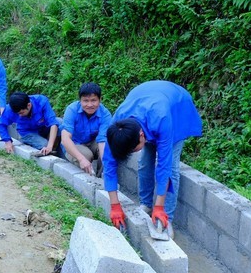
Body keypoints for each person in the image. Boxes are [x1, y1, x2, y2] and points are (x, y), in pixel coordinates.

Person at [103, 80, 202, 238]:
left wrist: (160, 207)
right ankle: (146, 204)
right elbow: (109, 164)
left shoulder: (161, 119)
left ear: (142, 135)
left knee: (172, 167)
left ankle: (166, 217)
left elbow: (164, 167)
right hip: (147, 99)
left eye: (133, 148)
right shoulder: (117, 127)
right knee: (144, 162)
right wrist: (114, 205)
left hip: (177, 106)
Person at [61, 82, 112, 178]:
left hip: (92, 142)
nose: (89, 105)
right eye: (85, 101)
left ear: (100, 100)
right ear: (80, 100)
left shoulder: (105, 114)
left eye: (93, 100)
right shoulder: (72, 110)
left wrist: (105, 164)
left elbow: (103, 141)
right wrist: (81, 159)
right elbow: (65, 139)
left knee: (108, 149)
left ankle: (102, 178)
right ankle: (88, 180)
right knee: (86, 155)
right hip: (75, 143)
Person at [0, 92, 63, 157]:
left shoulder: (41, 101)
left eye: (21, 113)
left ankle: (54, 149)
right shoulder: (10, 109)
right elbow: (0, 124)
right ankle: (31, 142)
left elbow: (53, 123)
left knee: (60, 123)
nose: (20, 115)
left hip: (44, 127)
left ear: (29, 105)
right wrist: (7, 141)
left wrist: (50, 146)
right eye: (18, 114)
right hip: (27, 132)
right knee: (44, 145)